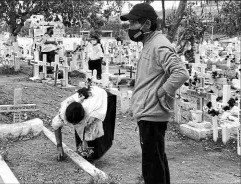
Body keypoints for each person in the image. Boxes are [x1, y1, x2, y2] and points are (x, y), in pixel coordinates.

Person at [120, 3, 189, 184]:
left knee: (151, 166)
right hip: (148, 112)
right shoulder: (150, 44)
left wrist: (161, 92)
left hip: (152, 113)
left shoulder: (158, 45)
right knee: (157, 160)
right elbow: (153, 74)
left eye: (134, 23)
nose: (130, 27)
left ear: (147, 25)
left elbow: (181, 73)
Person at [52, 85, 116, 161]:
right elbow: (56, 126)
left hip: (104, 98)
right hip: (89, 99)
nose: (74, 125)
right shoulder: (64, 111)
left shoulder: (91, 113)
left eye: (76, 122)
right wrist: (59, 146)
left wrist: (86, 141)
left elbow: (89, 129)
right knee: (81, 134)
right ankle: (84, 152)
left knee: (96, 132)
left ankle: (93, 157)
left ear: (83, 116)